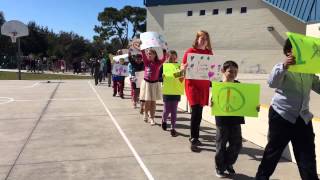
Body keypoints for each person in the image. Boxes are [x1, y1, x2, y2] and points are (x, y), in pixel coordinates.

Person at [255, 39, 320, 180]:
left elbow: (318, 86)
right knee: (273, 153)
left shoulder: (308, 70)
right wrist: (284, 66)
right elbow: (272, 82)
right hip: (281, 115)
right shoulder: (281, 67)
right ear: (289, 51)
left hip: (303, 117)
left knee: (307, 155)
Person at [180, 30, 213, 152]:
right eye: (201, 38)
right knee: (195, 110)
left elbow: (212, 69)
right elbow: (181, 68)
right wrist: (183, 67)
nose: (204, 40)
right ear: (197, 39)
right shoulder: (190, 51)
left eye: (206, 38)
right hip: (192, 85)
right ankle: (193, 137)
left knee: (199, 112)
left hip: (204, 86)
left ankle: (195, 135)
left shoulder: (209, 53)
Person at [213, 61, 245, 178]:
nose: (233, 74)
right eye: (230, 71)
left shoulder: (239, 85)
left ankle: (228, 163)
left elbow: (245, 101)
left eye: (235, 72)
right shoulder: (218, 86)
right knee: (220, 145)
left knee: (237, 145)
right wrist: (212, 103)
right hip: (222, 121)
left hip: (236, 120)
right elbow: (213, 101)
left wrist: (253, 107)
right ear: (223, 71)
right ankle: (219, 168)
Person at [140, 48, 167, 125]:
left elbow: (163, 59)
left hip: (155, 84)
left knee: (153, 102)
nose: (149, 55)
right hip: (147, 83)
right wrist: (142, 49)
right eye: (148, 53)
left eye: (151, 53)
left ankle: (152, 118)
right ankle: (145, 114)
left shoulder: (158, 63)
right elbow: (143, 55)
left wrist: (164, 52)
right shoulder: (146, 62)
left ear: (155, 55)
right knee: (147, 101)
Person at [161, 50, 181, 137]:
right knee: (166, 110)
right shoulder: (164, 66)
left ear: (176, 57)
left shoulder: (179, 66)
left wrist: (179, 73)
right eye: (170, 57)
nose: (172, 59)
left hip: (176, 91)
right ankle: (164, 121)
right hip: (167, 91)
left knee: (174, 111)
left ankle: (173, 128)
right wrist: (162, 77)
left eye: (174, 57)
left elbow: (181, 79)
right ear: (167, 57)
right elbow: (159, 78)